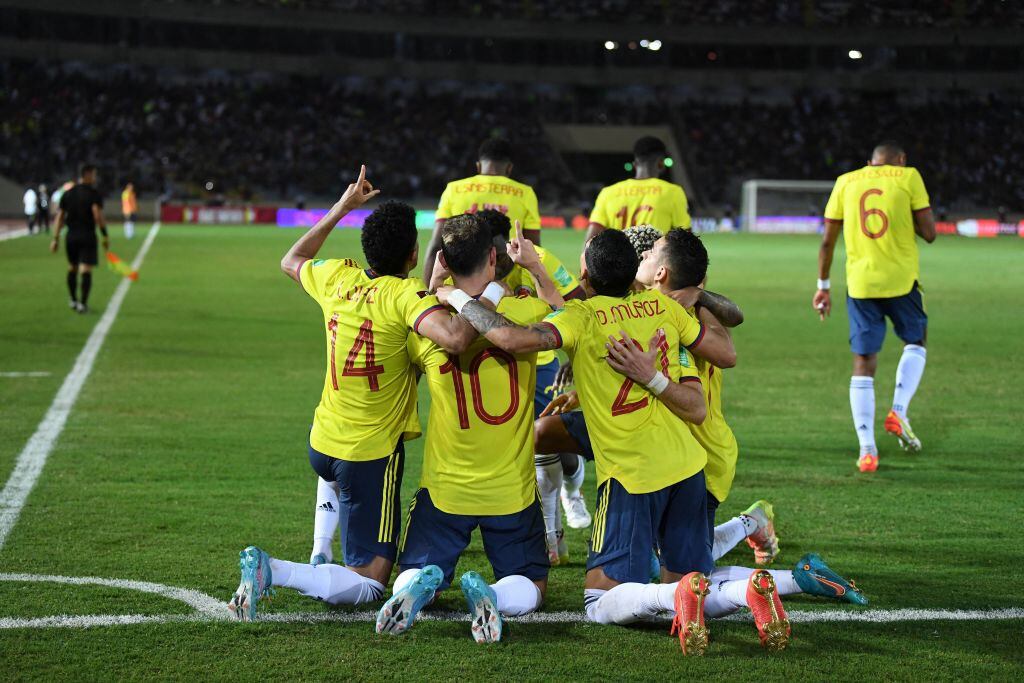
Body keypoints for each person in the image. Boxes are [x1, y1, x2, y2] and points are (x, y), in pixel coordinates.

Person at [439, 230, 756, 655]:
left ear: (586, 272)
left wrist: (456, 299)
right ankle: (754, 589)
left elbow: (511, 339)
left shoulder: (582, 318)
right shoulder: (665, 306)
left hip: (633, 476)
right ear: (632, 274)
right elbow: (702, 397)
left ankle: (671, 594)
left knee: (599, 599)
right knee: (685, 579)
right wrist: (654, 376)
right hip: (688, 468)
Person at [228, 166, 477, 621]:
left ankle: (321, 550)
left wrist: (343, 206)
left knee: (335, 484)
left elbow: (290, 260)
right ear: (414, 253)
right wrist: (460, 291)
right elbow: (457, 339)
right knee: (369, 583)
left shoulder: (336, 277)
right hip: (367, 456)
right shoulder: (403, 297)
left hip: (322, 441)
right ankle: (275, 571)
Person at [376, 214, 552, 643]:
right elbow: (563, 308)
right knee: (533, 584)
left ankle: (415, 589)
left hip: (446, 488)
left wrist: (432, 289)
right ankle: (491, 594)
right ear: (493, 256)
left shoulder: (427, 327)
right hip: (510, 488)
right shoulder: (525, 310)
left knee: (415, 570)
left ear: (445, 262)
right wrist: (536, 269)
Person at [814, 141, 936, 473]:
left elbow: (827, 241)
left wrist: (823, 286)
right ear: (901, 159)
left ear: (870, 162)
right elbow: (929, 233)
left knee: (864, 361)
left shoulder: (846, 181)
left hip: (861, 284)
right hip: (901, 280)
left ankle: (867, 451)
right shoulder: (909, 177)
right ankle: (898, 409)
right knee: (916, 339)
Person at [423, 138, 541, 284]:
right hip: (507, 284)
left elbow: (436, 245)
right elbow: (533, 247)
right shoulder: (525, 193)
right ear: (509, 168)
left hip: (459, 286)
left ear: (478, 166)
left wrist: (429, 292)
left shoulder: (453, 189)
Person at [585, 136, 691, 244]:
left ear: (635, 164)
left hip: (617, 259)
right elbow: (686, 241)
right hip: (652, 260)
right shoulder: (673, 192)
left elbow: (589, 243)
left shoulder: (608, 193)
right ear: (661, 164)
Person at [50, 164, 108, 314]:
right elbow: (97, 215)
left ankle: (73, 299)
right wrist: (104, 234)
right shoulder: (93, 194)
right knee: (86, 270)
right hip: (87, 235)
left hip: (71, 236)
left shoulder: (68, 194)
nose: (95, 178)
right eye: (94, 175)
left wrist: (55, 238)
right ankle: (83, 303)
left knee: (72, 267)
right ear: (87, 175)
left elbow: (60, 217)